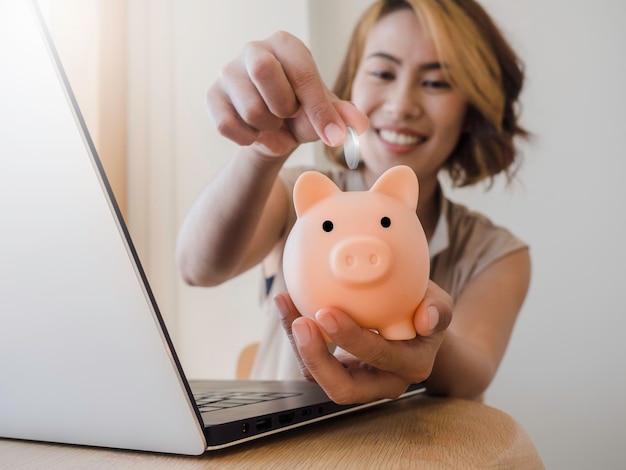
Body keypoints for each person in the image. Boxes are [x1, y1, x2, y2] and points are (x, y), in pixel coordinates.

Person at [176, 0, 531, 404]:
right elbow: (196, 267)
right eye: (382, 72)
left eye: (437, 82)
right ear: (351, 84)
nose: (401, 105)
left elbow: (473, 376)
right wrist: (262, 153)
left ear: (471, 108)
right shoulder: (298, 199)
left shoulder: (495, 251)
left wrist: (419, 332)